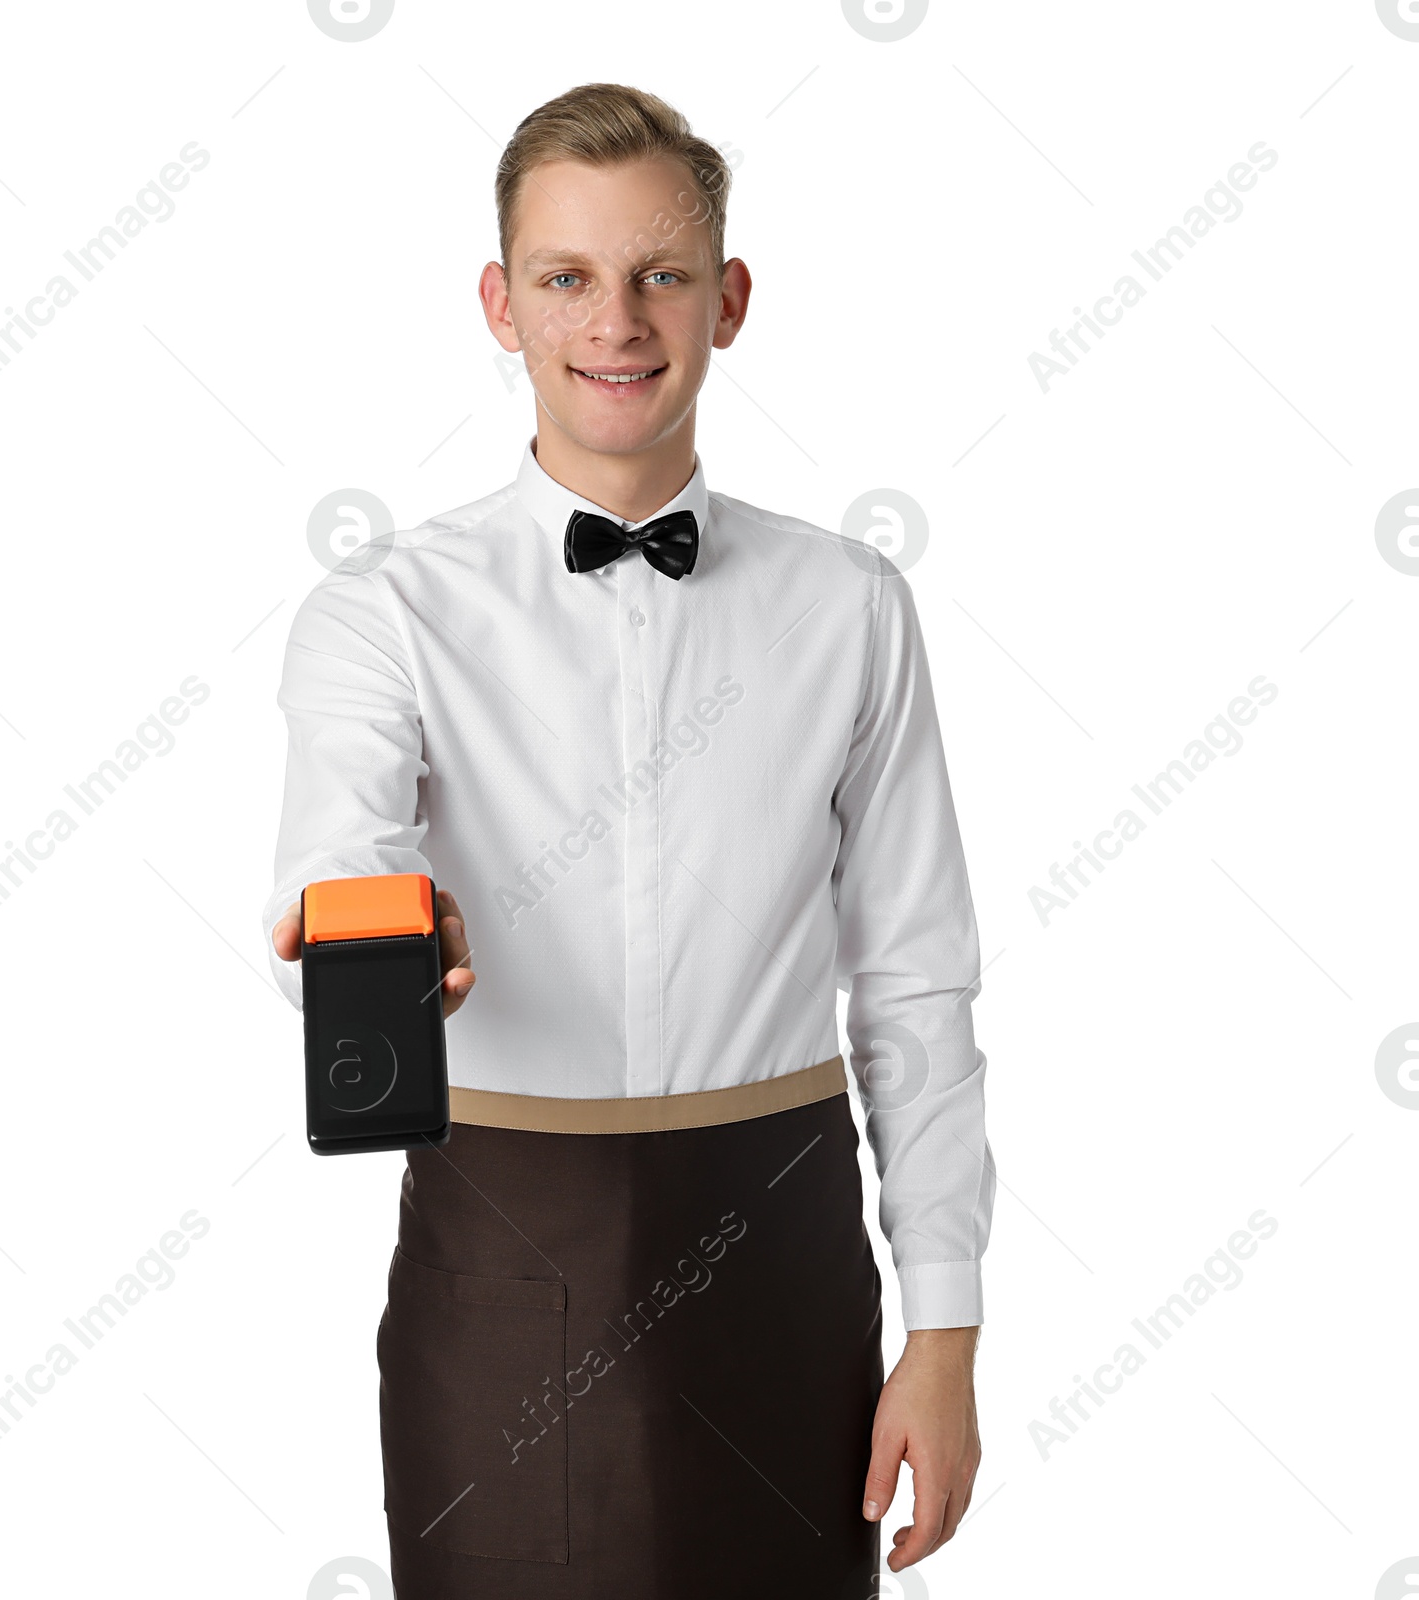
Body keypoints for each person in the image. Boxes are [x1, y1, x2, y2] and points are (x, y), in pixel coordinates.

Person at [263, 81, 994, 1598]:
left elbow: (918, 984)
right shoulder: (381, 615)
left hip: (786, 1266)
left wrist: (944, 1332)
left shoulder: (852, 608)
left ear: (727, 302)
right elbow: (340, 853)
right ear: (501, 303)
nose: (617, 321)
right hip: (499, 1271)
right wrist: (376, 944)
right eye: (568, 278)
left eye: (661, 274)